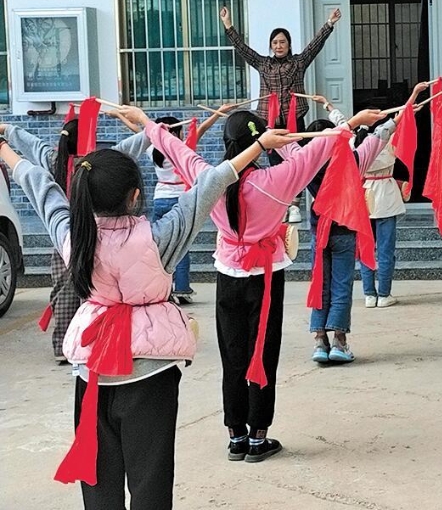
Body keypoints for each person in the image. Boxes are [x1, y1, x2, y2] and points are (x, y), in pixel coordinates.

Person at [0, 105, 288, 509]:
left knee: (98, 478)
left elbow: (37, 183)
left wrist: (4, 148)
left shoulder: (73, 238)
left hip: (93, 373)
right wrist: (257, 146)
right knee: (151, 479)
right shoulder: (159, 240)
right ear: (136, 195)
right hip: (151, 374)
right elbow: (211, 182)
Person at [145, 108, 363, 462]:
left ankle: (236, 436)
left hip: (227, 276)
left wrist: (146, 125)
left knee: (232, 357)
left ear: (227, 143)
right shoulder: (278, 179)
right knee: (262, 352)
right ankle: (259, 437)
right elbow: (317, 150)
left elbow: (178, 151)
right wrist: (349, 124)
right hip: (265, 276)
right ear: (260, 143)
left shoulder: (209, 178)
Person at [0, 115, 151, 363]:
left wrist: (7, 130)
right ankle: (92, 343)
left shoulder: (53, 160)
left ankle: (62, 345)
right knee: (95, 297)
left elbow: (32, 145)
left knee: (63, 292)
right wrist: (153, 130)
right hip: (99, 237)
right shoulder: (100, 165)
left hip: (65, 240)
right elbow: (131, 147)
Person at [220, 5, 342, 223]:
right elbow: (242, 49)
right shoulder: (262, 64)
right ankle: (281, 205)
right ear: (270, 45)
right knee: (276, 166)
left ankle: (300, 204)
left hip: (295, 121)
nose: (279, 46)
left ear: (289, 44)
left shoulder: (298, 63)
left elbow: (315, 46)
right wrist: (228, 25)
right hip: (269, 124)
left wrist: (329, 23)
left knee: (300, 162)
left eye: (282, 42)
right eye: (275, 42)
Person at [299, 107, 390, 364]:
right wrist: (404, 113)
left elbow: (284, 150)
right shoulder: (354, 159)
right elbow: (379, 137)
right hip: (345, 231)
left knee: (320, 284)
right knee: (341, 286)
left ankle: (319, 341)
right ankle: (339, 341)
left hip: (320, 233)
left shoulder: (307, 164)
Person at [146, 106, 232, 303]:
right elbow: (202, 128)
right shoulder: (182, 148)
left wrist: (120, 115)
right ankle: (182, 289)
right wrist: (218, 112)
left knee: (158, 246)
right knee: (180, 247)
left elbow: (138, 129)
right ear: (175, 131)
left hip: (159, 199)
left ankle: (161, 289)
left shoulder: (152, 148)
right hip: (179, 200)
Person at [359, 82, 430, 309]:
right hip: (385, 195)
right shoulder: (383, 141)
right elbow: (399, 120)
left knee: (367, 248)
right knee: (386, 249)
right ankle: (384, 294)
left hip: (364, 196)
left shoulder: (354, 144)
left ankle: (369, 294)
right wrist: (414, 95)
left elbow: (341, 122)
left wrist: (329, 105)